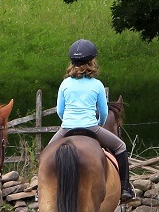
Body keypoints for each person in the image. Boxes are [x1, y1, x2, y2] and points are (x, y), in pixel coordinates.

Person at [49, 39, 134, 202]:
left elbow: (60, 110)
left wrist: (67, 122)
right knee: (120, 146)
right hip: (91, 127)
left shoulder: (65, 84)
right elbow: (103, 112)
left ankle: (41, 189)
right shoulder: (97, 85)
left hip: (66, 128)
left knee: (46, 152)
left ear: (72, 63)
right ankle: (125, 188)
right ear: (91, 62)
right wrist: (99, 125)